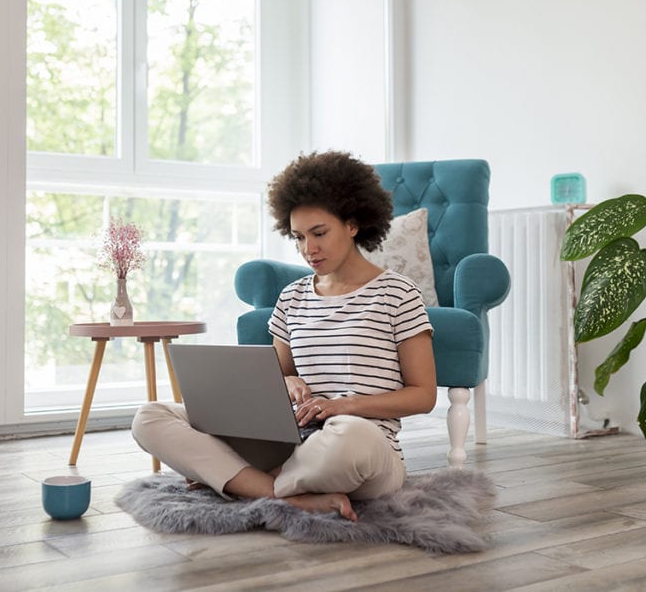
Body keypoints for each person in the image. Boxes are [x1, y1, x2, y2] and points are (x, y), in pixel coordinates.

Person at [131, 150, 436, 521]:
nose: (309, 249)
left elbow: (423, 395)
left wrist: (342, 406)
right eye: (299, 237)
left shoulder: (397, 294)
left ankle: (241, 483)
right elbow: (277, 375)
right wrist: (289, 383)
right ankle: (285, 493)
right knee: (150, 417)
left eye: (319, 233)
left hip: (361, 448)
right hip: (293, 444)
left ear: (353, 224)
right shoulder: (292, 298)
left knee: (349, 436)